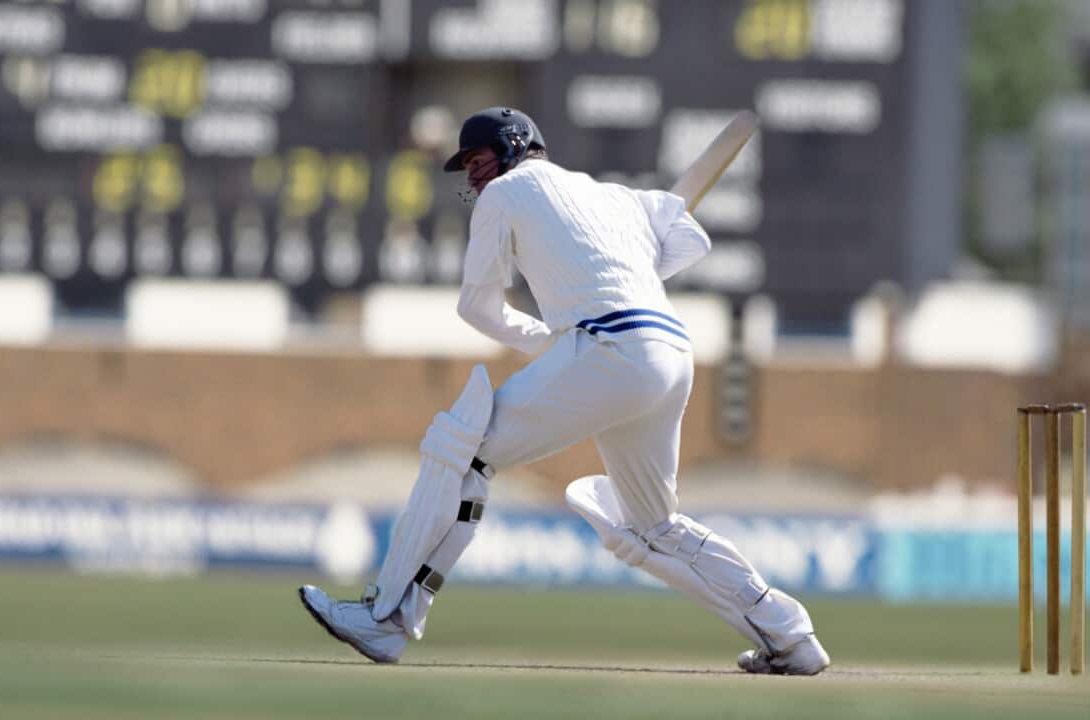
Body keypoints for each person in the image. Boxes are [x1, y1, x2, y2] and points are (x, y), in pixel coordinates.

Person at [299, 107, 830, 675]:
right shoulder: (619, 198)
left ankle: (385, 618)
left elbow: (477, 307)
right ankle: (790, 636)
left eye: (478, 160)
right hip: (671, 351)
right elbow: (679, 245)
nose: (473, 175)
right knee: (654, 527)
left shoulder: (506, 194)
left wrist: (550, 341)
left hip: (611, 345)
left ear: (513, 145)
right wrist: (570, 331)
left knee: (462, 449)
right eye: (467, 167)